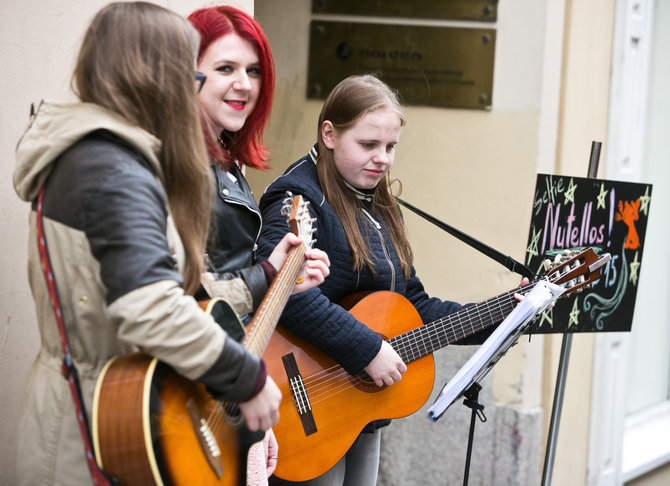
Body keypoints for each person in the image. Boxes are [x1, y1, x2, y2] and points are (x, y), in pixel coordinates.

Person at [11, 3, 296, 484]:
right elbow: (150, 305)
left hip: (110, 412)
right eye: (195, 74)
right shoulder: (112, 168)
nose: (195, 89)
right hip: (94, 431)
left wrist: (265, 276)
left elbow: (168, 292)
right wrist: (246, 379)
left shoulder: (99, 154)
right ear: (155, 73)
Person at [256, 74, 526, 486]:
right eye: (368, 145)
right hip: (304, 404)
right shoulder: (298, 199)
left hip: (356, 407)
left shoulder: (377, 202)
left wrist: (508, 311)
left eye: (390, 146)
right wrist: (367, 349)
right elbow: (283, 290)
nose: (382, 158)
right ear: (329, 133)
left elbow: (413, 304)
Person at [187, 5, 330, 484]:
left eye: (253, 71)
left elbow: (233, 283)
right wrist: (267, 274)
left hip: (231, 383)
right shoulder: (179, 167)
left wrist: (285, 277)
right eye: (226, 68)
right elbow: (190, 294)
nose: (244, 84)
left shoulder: (227, 163)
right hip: (196, 388)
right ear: (189, 72)